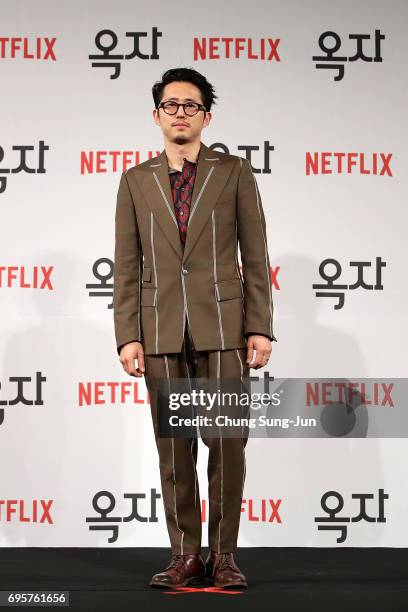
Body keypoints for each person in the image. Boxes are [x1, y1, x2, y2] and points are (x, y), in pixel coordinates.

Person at [113, 67, 277, 589]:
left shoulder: (233, 173)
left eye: (190, 105)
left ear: (207, 115)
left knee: (227, 442)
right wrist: (128, 333)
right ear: (156, 115)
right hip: (160, 331)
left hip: (225, 328)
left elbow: (256, 255)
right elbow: (125, 263)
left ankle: (224, 557)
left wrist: (260, 326)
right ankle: (184, 556)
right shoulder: (135, 181)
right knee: (174, 446)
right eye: (171, 104)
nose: (179, 112)